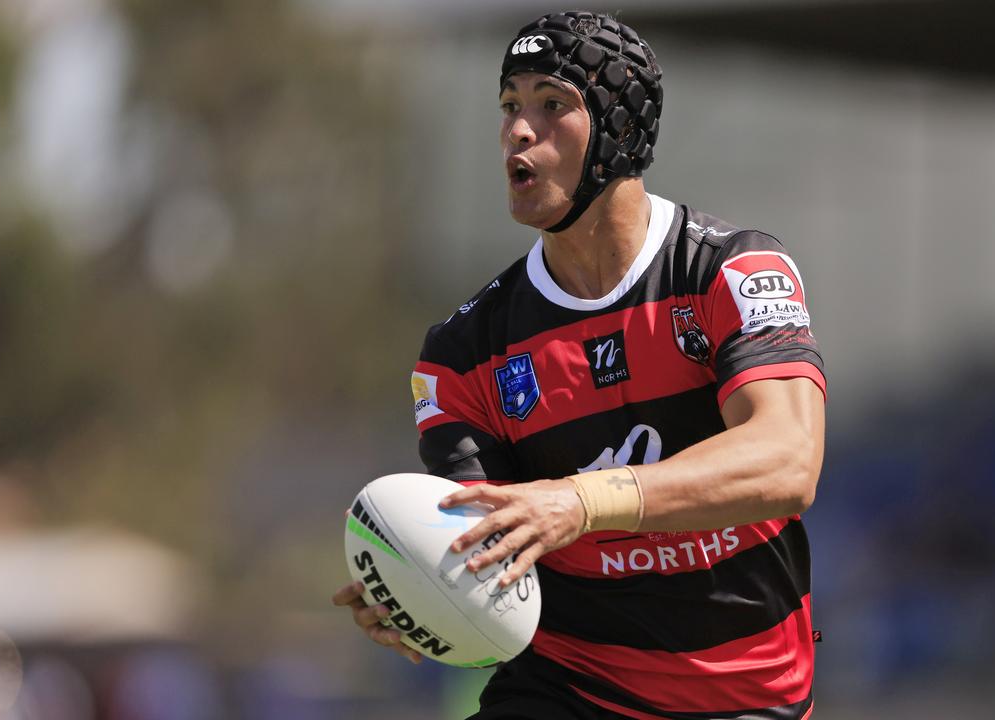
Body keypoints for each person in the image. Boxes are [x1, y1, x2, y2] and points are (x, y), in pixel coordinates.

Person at [333, 10, 827, 720]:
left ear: (621, 127)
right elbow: (486, 552)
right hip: (568, 691)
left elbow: (787, 462)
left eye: (551, 104)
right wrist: (416, 588)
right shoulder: (464, 356)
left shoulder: (732, 270)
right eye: (509, 106)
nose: (518, 130)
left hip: (750, 698)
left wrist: (581, 501)